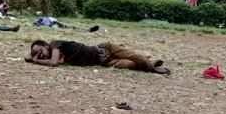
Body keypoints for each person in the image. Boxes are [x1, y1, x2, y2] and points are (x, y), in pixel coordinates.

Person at [26, 39, 170, 75]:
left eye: (40, 50)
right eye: (37, 54)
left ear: (45, 44)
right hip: (104, 62)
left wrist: (36, 60)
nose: (40, 54)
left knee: (135, 57)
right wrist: (33, 57)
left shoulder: (54, 45)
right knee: (130, 65)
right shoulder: (57, 54)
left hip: (106, 48)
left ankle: (152, 67)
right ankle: (151, 65)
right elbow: (27, 57)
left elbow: (53, 63)